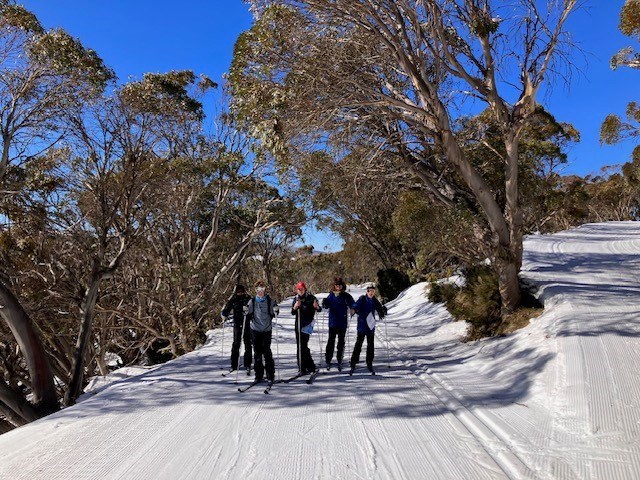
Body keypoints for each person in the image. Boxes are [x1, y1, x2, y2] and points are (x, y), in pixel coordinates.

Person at [245, 280, 278, 383]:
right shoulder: (252, 301)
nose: (260, 291)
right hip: (255, 330)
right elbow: (248, 313)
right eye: (258, 289)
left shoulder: (270, 301)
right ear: (255, 290)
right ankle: (258, 375)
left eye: (262, 289)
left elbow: (275, 311)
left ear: (265, 290)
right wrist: (245, 311)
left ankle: (270, 375)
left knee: (267, 352)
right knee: (257, 353)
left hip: (267, 330)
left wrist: (276, 310)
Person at [349, 283, 385, 375]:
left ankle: (369, 361)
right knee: (359, 344)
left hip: (370, 326)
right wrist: (353, 310)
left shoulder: (374, 300)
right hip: (362, 325)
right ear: (367, 291)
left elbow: (379, 308)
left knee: (370, 345)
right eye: (370, 291)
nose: (372, 293)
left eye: (373, 291)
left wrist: (382, 311)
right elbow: (356, 305)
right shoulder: (362, 298)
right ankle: (353, 361)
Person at [321, 277, 354, 371]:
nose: (338, 286)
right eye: (336, 285)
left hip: (342, 322)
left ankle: (340, 359)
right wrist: (324, 302)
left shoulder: (346, 295)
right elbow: (326, 305)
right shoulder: (331, 295)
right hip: (333, 322)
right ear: (334, 286)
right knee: (331, 341)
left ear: (342, 286)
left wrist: (353, 309)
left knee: (341, 342)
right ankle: (328, 359)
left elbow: (353, 304)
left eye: (339, 285)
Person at [221, 284, 252, 373]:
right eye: (238, 292)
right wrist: (224, 314)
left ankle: (248, 363)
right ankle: (234, 364)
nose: (240, 293)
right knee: (236, 344)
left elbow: (252, 308)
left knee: (248, 343)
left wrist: (249, 311)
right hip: (237, 324)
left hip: (246, 323)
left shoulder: (248, 298)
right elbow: (227, 308)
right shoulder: (233, 299)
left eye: (241, 291)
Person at [291, 281, 321, 374]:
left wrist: (316, 307)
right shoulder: (296, 299)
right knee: (300, 346)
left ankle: (310, 366)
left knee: (303, 346)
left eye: (302, 289)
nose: (300, 291)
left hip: (307, 325)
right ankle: (302, 367)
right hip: (298, 325)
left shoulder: (311, 298)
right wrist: (295, 307)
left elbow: (319, 309)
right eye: (298, 289)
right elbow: (292, 312)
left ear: (305, 289)